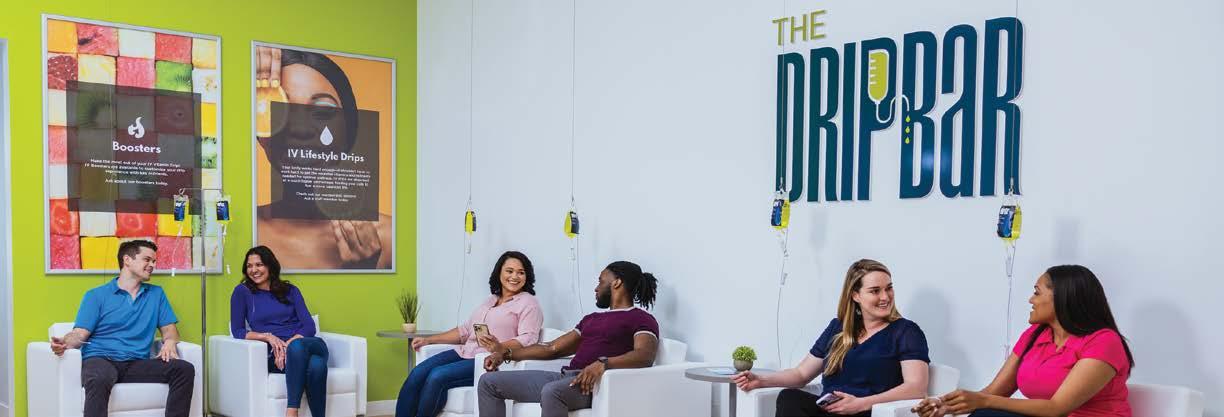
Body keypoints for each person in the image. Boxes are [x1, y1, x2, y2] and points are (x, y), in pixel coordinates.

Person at [912, 265, 1134, 417]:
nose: (1031, 300)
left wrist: (983, 402)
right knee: (986, 414)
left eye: (1037, 293)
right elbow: (994, 392)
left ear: (1062, 298)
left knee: (988, 412)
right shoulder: (1035, 335)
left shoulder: (1104, 341)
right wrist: (946, 404)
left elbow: (1057, 408)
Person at [733, 259, 930, 417]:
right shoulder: (838, 327)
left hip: (867, 411)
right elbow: (801, 374)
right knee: (789, 398)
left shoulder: (906, 331)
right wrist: (761, 380)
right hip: (829, 410)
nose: (885, 297)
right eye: (875, 291)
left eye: (889, 288)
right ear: (855, 295)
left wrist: (861, 404)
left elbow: (916, 387)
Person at [254, 46, 393, 270]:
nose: (300, 129)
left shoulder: (388, 237)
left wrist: (364, 271)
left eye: (323, 111)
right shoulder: (245, 231)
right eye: (281, 109)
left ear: (348, 130)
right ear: (262, 136)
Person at [477, 260, 660, 417]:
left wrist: (604, 363)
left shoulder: (641, 318)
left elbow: (644, 355)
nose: (596, 288)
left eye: (600, 281)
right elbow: (551, 348)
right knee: (488, 383)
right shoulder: (591, 319)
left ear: (617, 283)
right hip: (565, 378)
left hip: (594, 385)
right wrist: (505, 353)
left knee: (552, 391)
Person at [51, 239, 195, 417]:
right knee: (99, 378)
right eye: (147, 259)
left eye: (154, 261)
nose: (152, 265)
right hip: (101, 359)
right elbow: (80, 333)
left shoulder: (156, 294)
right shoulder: (96, 295)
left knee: (184, 369)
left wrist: (170, 342)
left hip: (137, 362)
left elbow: (169, 330)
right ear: (127, 260)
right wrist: (65, 343)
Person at [396, 251, 544, 417]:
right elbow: (465, 330)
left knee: (437, 376)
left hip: (489, 361)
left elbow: (528, 338)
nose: (515, 276)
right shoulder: (491, 300)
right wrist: (429, 340)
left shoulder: (529, 303)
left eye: (521, 272)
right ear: (499, 273)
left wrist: (500, 347)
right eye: (509, 271)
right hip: (465, 352)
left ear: (527, 276)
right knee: (417, 373)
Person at [230, 246, 328, 417]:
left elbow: (309, 326)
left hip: (308, 345)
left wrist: (290, 344)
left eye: (259, 264)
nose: (254, 270)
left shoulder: (291, 290)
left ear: (270, 265)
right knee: (317, 366)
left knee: (298, 347)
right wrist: (267, 337)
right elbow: (237, 331)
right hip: (277, 355)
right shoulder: (242, 292)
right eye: (249, 266)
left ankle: (291, 411)